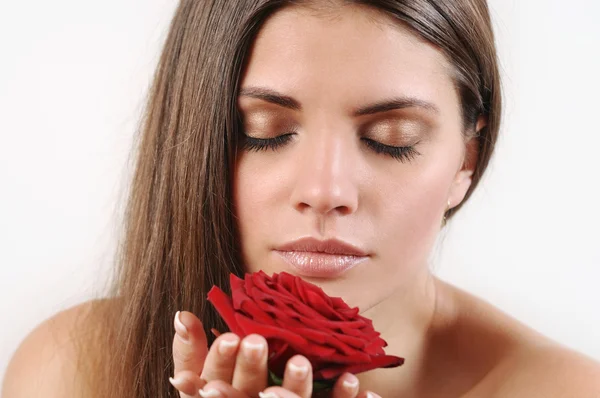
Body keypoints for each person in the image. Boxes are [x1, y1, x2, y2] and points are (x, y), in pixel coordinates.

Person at [3, 1, 600, 397]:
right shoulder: (76, 369)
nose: (324, 191)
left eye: (391, 141)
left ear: (465, 160)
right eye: (266, 132)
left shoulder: (556, 389)